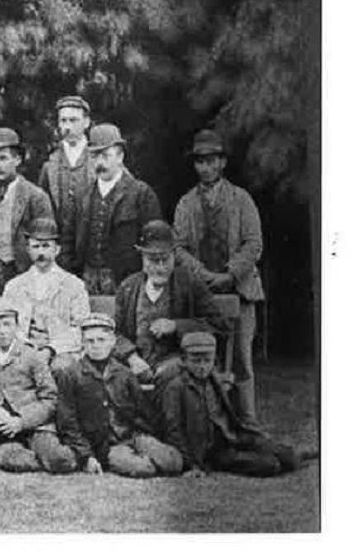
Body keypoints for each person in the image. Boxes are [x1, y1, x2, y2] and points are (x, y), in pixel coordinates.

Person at [172, 129, 265, 426]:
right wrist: (203, 275)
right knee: (201, 356)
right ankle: (211, 424)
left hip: (240, 292)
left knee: (241, 360)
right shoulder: (186, 204)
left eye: (212, 161)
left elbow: (254, 243)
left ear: (222, 162)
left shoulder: (241, 199)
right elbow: (178, 247)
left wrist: (229, 274)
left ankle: (248, 423)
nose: (206, 167)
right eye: (200, 162)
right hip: (202, 294)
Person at [55, 313, 183, 477]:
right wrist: (87, 456)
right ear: (82, 344)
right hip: (105, 444)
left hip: (131, 435)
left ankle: (146, 455)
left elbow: (143, 410)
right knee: (142, 468)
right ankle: (131, 460)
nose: (96, 345)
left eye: (101, 340)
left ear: (112, 342)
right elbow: (68, 423)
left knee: (173, 462)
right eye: (90, 341)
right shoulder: (71, 375)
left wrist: (148, 438)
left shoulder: (124, 373)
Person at [0, 301, 77, 474]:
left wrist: (22, 421)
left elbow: (50, 398)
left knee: (60, 460)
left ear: (17, 327)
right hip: (2, 429)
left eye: (7, 324)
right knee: (13, 460)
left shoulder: (32, 356)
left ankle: (50, 455)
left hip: (35, 424)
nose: (2, 331)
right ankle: (28, 458)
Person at [161, 332, 298, 478]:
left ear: (214, 360)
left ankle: (304, 454)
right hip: (213, 450)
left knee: (289, 458)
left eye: (207, 361)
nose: (202, 366)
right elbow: (174, 430)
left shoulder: (215, 380)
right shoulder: (176, 388)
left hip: (232, 436)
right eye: (196, 361)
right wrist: (191, 464)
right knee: (270, 465)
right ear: (183, 360)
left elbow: (233, 414)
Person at [113, 221, 226, 389]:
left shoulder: (190, 284)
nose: (160, 268)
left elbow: (218, 324)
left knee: (173, 379)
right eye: (153, 260)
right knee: (115, 378)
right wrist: (132, 358)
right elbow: (115, 333)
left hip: (177, 362)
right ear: (142, 258)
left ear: (174, 256)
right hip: (135, 364)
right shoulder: (128, 287)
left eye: (165, 260)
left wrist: (175, 326)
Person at [71, 123, 162, 295]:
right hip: (86, 282)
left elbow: (154, 245)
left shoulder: (141, 193)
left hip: (126, 281)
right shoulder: (82, 196)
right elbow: (69, 241)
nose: (99, 163)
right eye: (95, 157)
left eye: (105, 156)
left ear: (120, 156)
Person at [1, 217, 89, 380]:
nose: (41, 252)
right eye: (36, 246)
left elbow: (80, 327)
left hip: (61, 351)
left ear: (57, 249)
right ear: (28, 249)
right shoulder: (14, 286)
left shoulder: (74, 285)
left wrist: (51, 349)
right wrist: (27, 347)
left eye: (46, 246)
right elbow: (6, 324)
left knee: (63, 369)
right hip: (23, 349)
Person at [0, 128, 55, 294]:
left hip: (20, 269)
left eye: (3, 158)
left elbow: (46, 241)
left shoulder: (35, 196)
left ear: (17, 160)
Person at [37, 96, 93, 266]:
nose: (67, 126)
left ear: (86, 122)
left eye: (74, 120)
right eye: (63, 120)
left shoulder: (98, 159)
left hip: (91, 249)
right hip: (60, 251)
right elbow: (41, 208)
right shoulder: (50, 164)